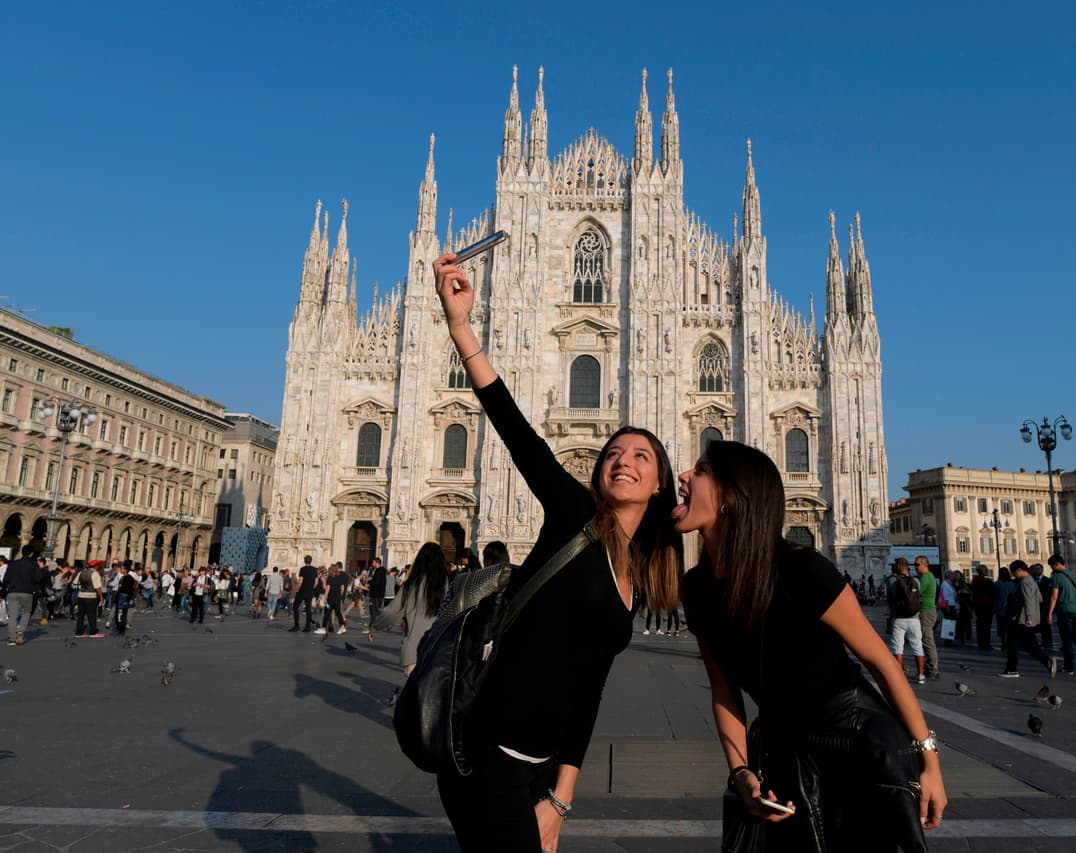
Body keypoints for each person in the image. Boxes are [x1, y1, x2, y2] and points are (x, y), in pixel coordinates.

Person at [432, 251, 683, 853]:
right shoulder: (573, 512)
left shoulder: (637, 577)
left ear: (659, 485)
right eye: (614, 454)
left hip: (538, 766)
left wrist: (561, 798)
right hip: (484, 745)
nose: (622, 459)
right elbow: (516, 430)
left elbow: (589, 687)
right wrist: (461, 325)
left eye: (641, 456)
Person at [677, 441, 945, 849]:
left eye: (699, 470)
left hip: (859, 745)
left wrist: (929, 761)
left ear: (732, 495)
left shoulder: (801, 569)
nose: (683, 477)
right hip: (783, 748)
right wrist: (740, 772)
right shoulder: (696, 588)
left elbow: (881, 663)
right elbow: (723, 689)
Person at [376, 541, 449, 674]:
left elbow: (392, 611)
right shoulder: (448, 585)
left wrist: (376, 626)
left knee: (414, 691)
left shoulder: (411, 585)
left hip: (415, 649)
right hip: (440, 650)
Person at [1000, 560, 1057, 679]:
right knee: (1015, 644)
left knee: (1027, 645)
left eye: (1014, 573)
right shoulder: (1031, 580)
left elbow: (1028, 600)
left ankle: (1046, 661)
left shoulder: (1025, 582)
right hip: (1024, 617)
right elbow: (1039, 598)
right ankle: (1011, 669)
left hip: (1022, 619)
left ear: (1019, 570)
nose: (1013, 575)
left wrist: (1029, 617)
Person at [887, 557, 926, 684]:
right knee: (917, 646)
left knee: (898, 646)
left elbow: (890, 598)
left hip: (899, 618)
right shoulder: (916, 580)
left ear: (898, 566)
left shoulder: (893, 581)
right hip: (914, 618)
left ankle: (899, 675)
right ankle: (920, 675)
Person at [4, 545, 40, 646]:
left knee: (12, 615)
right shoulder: (33, 564)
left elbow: (6, 579)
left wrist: (2, 592)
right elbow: (38, 578)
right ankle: (20, 631)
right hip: (27, 592)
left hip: (12, 591)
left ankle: (11, 639)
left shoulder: (13, 563)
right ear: (31, 554)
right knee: (26, 613)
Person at [915, 556, 940, 680]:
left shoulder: (925, 577)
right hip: (928, 610)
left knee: (928, 641)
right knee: (926, 640)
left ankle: (933, 669)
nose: (915, 567)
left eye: (917, 564)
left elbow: (917, 592)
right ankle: (929, 666)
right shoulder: (928, 576)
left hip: (926, 611)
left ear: (925, 564)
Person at [75, 561, 105, 638]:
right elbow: (97, 587)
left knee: (81, 615)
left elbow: (75, 582)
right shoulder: (95, 574)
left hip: (81, 595)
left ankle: (79, 632)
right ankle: (93, 632)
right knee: (92, 615)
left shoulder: (82, 573)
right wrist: (101, 596)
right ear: (95, 566)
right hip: (91, 597)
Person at [970, 565, 995, 650]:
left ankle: (980, 642)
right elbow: (992, 593)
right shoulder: (987, 581)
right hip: (987, 604)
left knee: (980, 624)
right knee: (987, 625)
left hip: (978, 605)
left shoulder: (974, 581)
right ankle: (986, 643)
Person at [290, 556, 318, 633]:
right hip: (310, 592)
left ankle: (296, 626)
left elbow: (300, 581)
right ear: (311, 561)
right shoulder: (315, 569)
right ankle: (307, 627)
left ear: (304, 561)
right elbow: (316, 582)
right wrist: (312, 588)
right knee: (308, 609)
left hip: (302, 591)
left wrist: (296, 590)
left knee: (295, 607)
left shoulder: (303, 569)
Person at [993, 565, 1015, 651]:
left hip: (999, 608)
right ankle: (1009, 642)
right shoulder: (1012, 583)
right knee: (1009, 626)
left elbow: (994, 595)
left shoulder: (997, 584)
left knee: (1001, 627)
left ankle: (1003, 642)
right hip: (1010, 608)